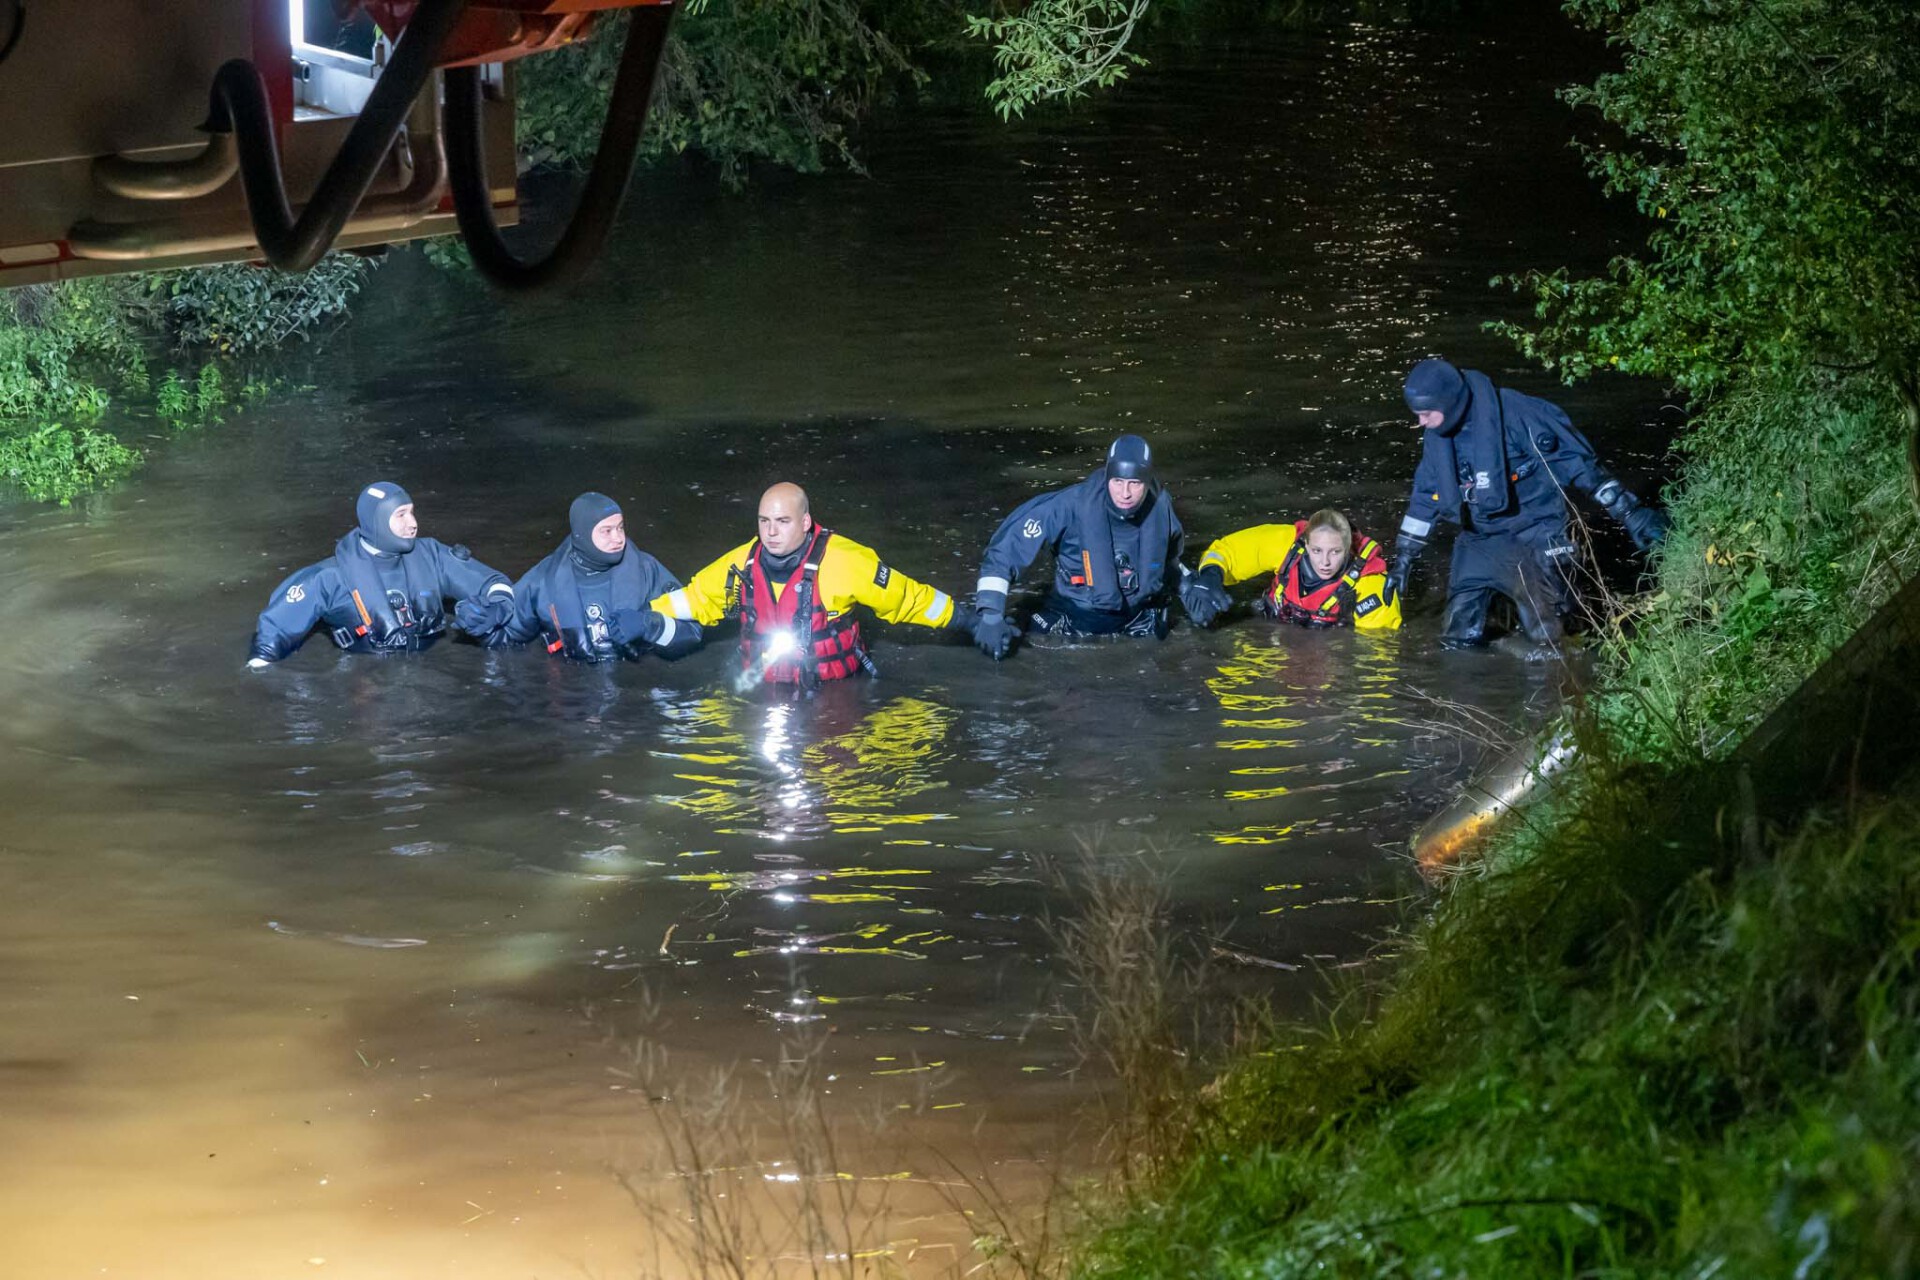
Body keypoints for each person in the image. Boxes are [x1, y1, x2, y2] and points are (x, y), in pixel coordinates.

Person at [1389, 358, 1669, 648]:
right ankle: (1477, 672)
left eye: (1425, 414)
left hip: (1535, 533)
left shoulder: (1519, 413)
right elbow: (1426, 494)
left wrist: (1629, 511)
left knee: (1550, 639)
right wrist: (1405, 558)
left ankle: (1580, 657)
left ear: (1450, 402)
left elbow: (1576, 463)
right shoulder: (1438, 436)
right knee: (1456, 639)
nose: (1420, 423)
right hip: (1481, 539)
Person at [656, 481, 972, 688]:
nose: (771, 532)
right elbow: (697, 598)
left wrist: (968, 621)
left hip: (835, 691)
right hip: (764, 687)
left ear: (805, 522)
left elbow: (907, 598)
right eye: (764, 521)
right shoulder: (741, 563)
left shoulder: (844, 561)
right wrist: (647, 616)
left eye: (783, 521)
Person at [972, 433, 1201, 658]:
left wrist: (1192, 589)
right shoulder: (1067, 507)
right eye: (1118, 482)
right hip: (1073, 616)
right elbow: (1005, 553)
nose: (1125, 493)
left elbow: (1167, 561)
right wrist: (991, 614)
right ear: (1107, 477)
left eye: (1134, 483)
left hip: (1138, 618)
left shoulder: (1160, 509)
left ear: (1147, 482)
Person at [246, 481, 516, 669]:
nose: (413, 524)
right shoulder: (328, 578)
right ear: (376, 521)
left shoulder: (433, 556)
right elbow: (271, 638)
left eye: (412, 513)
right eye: (401, 515)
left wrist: (497, 609)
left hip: (434, 668)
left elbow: (495, 583)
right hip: (366, 684)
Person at [492, 492, 702, 661]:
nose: (618, 538)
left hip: (637, 685)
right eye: (606, 531)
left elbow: (693, 632)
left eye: (620, 527)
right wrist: (483, 621)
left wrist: (650, 625)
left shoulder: (647, 570)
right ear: (582, 534)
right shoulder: (543, 580)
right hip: (571, 689)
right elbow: (506, 635)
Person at [1187, 507, 1402, 631]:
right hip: (1271, 625)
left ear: (1348, 549)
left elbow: (1379, 655)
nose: (1325, 562)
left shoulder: (1373, 587)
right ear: (1305, 543)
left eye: (1335, 552)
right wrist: (1210, 576)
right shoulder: (1287, 543)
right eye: (1317, 550)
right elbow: (1227, 551)